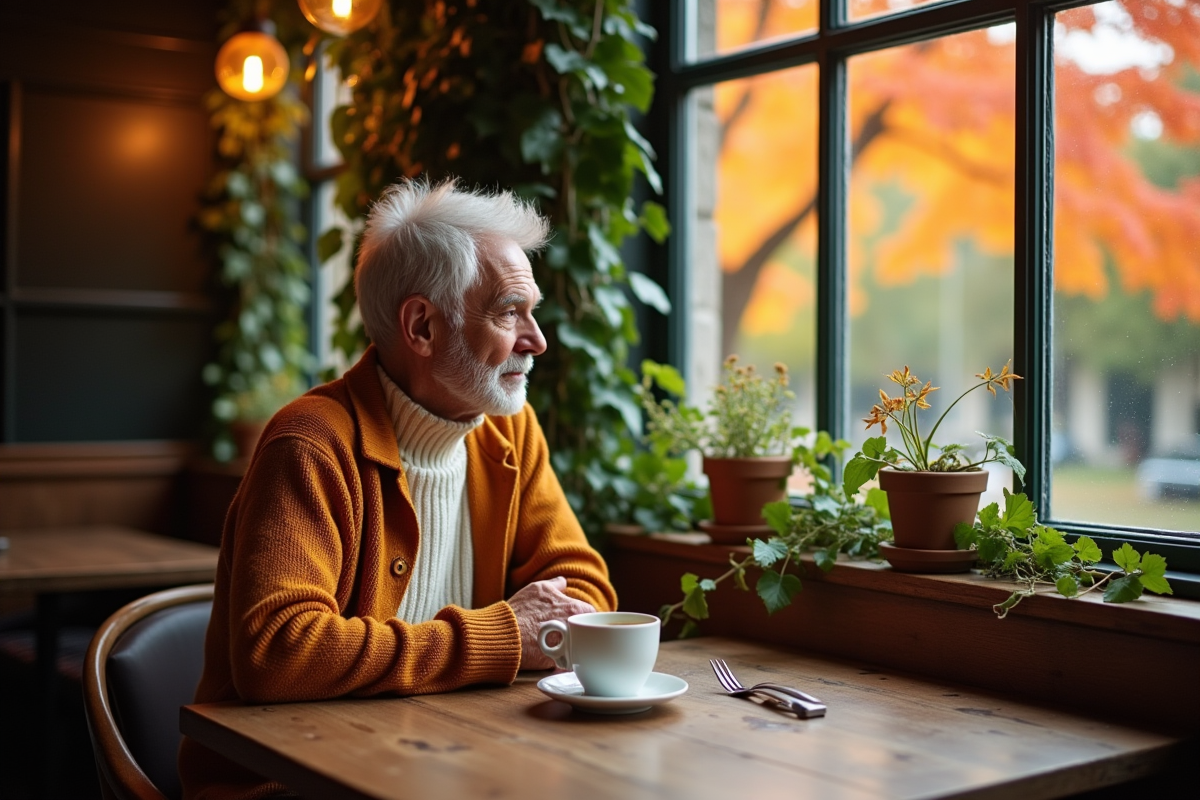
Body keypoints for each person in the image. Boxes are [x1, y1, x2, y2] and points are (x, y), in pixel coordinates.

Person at [180, 178, 616, 800]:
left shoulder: (510, 432)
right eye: (508, 311)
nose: (536, 339)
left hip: (449, 761)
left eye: (532, 310)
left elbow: (584, 591)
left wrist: (520, 632)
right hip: (287, 784)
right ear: (422, 326)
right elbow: (279, 653)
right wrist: (495, 637)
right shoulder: (311, 444)